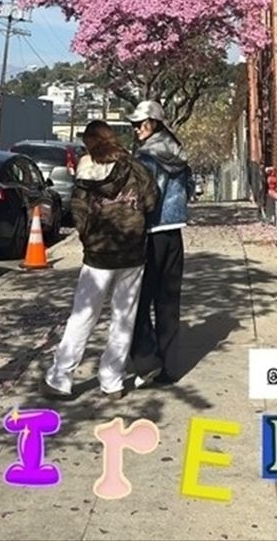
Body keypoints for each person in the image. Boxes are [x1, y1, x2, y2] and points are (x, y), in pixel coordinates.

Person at [44, 119, 159, 399]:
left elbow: (78, 210)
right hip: (132, 252)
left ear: (89, 143)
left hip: (98, 254)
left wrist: (88, 236)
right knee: (123, 318)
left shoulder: (86, 169)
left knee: (83, 315)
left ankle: (60, 378)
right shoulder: (135, 167)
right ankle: (112, 380)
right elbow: (151, 201)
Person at [128, 99, 193, 388]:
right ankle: (169, 367)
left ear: (153, 123)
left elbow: (144, 196)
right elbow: (189, 188)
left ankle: (147, 360)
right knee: (168, 302)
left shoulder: (146, 156)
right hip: (174, 231)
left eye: (140, 124)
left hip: (152, 233)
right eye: (134, 125)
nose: (136, 129)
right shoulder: (177, 151)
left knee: (138, 301)